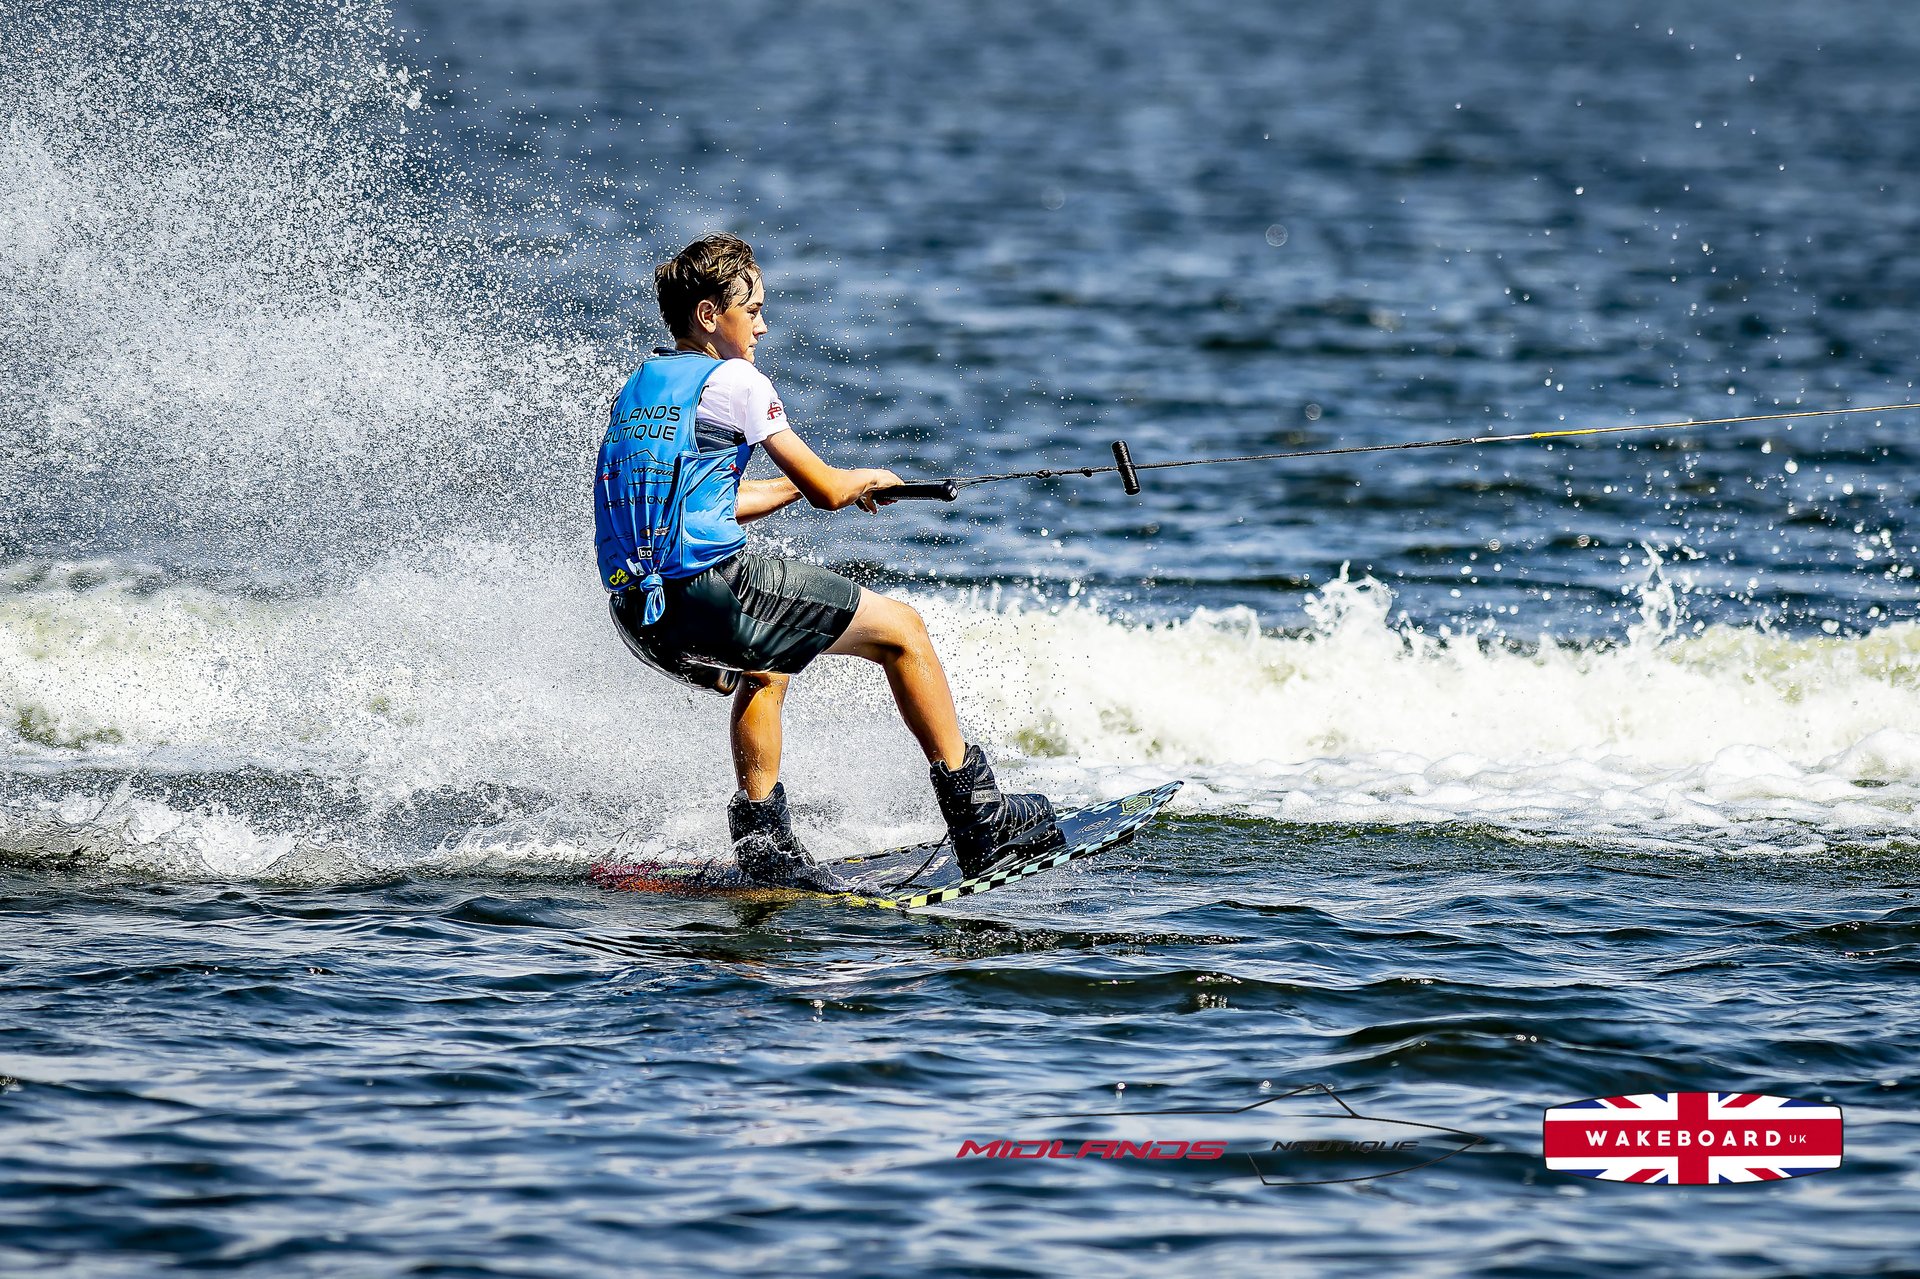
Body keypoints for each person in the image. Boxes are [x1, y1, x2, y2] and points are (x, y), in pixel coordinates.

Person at [594, 233, 1055, 889]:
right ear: (708, 315)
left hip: (642, 611)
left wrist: (806, 487)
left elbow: (705, 502)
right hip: (711, 589)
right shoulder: (737, 381)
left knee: (766, 666)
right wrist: (865, 477)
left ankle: (764, 846)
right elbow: (827, 490)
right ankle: (981, 818)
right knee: (903, 631)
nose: (762, 325)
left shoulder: (641, 388)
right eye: (752, 309)